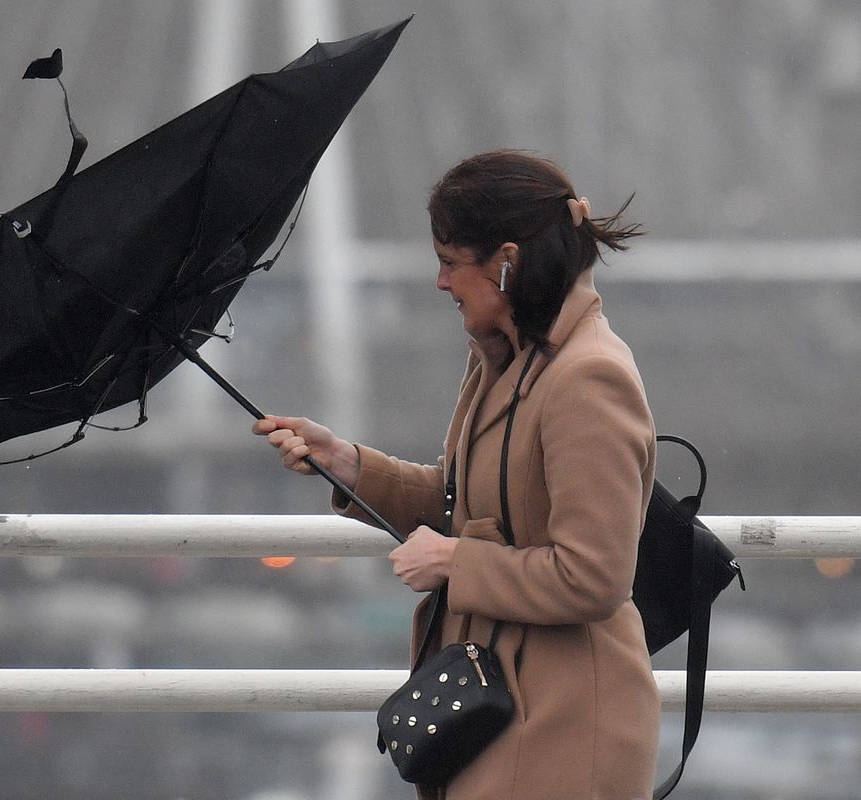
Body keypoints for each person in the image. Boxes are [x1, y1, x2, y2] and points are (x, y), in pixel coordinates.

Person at [253, 150, 660, 800]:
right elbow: (472, 506)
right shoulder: (511, 359)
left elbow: (595, 576)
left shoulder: (587, 379)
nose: (441, 282)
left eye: (449, 262)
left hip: (565, 728)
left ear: (505, 260)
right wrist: (348, 465)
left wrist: (453, 563)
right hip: (502, 711)